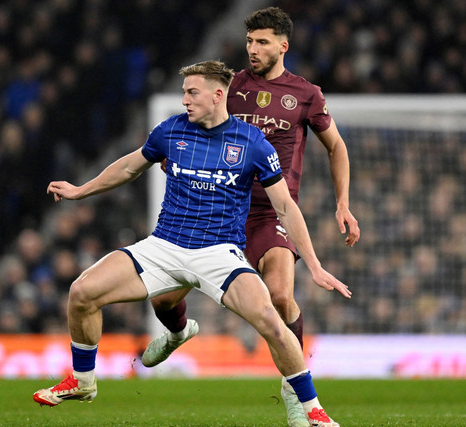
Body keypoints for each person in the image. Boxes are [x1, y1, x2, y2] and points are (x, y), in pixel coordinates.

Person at [33, 60, 347, 427]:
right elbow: (129, 167)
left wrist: (313, 263)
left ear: (217, 95)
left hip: (219, 252)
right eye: (184, 92)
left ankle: (312, 410)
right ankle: (84, 382)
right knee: (82, 291)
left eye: (191, 92)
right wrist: (80, 190)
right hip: (164, 245)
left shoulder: (252, 143)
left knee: (270, 320)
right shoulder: (170, 131)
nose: (184, 99)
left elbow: (285, 207)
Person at [143, 8, 360, 426]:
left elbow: (337, 147)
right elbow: (195, 127)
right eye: (249, 42)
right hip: (218, 209)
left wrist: (342, 203)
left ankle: (295, 391)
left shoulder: (306, 94)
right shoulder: (230, 87)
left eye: (262, 42)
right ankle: (178, 332)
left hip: (270, 213)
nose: (253, 49)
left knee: (280, 296)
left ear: (284, 46)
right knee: (162, 300)